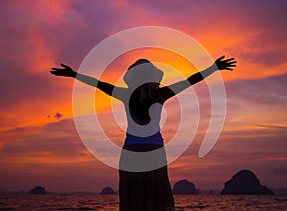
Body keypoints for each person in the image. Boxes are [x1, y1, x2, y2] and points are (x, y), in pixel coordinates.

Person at [50, 55, 236, 211]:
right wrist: (74, 74)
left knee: (154, 193)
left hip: (148, 152)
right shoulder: (136, 95)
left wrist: (213, 68)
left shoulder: (154, 95)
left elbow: (189, 81)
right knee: (137, 195)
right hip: (136, 152)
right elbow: (99, 84)